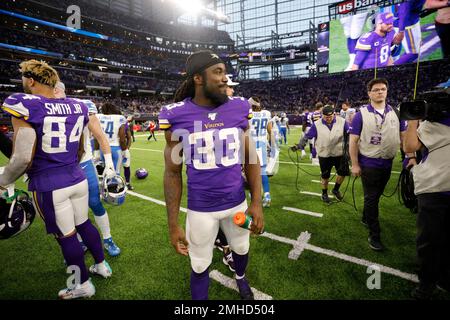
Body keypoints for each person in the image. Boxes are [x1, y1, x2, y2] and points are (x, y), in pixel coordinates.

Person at [0, 59, 111, 299]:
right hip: (77, 177)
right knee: (84, 224)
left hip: (49, 184)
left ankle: (81, 284)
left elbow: (21, 158)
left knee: (67, 236)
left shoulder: (24, 104)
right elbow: (81, 148)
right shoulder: (78, 106)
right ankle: (101, 265)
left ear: (30, 81)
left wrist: (4, 179)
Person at [159, 50, 264, 300]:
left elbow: (251, 158)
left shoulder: (239, 107)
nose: (224, 78)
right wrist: (173, 225)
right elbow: (172, 173)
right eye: (218, 72)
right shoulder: (175, 115)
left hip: (236, 205)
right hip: (201, 210)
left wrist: (257, 202)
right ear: (198, 78)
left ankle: (240, 277)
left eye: (225, 72)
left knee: (241, 247)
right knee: (198, 265)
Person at [54, 82, 121, 257]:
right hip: (57, 168)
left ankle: (107, 238)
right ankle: (80, 242)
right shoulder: (41, 106)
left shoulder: (82, 106)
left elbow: (100, 136)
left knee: (94, 203)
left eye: (57, 89)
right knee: (67, 210)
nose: (54, 92)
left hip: (83, 164)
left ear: (63, 90)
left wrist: (110, 164)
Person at [349, 78, 406, 251]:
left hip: (387, 163)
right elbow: (353, 142)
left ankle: (366, 216)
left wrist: (408, 157)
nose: (380, 92)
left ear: (387, 91)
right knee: (372, 198)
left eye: (383, 89)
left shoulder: (396, 113)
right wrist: (355, 164)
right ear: (369, 93)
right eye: (376, 90)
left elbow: (404, 137)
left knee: (376, 196)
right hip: (369, 163)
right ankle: (375, 235)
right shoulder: (361, 114)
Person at [404, 110, 450, 299]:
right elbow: (409, 146)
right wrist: (414, 120)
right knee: (430, 239)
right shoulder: (434, 119)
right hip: (435, 186)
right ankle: (427, 282)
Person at [294, 105, 349, 204]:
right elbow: (308, 136)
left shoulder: (343, 121)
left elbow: (350, 133)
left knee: (343, 173)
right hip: (324, 154)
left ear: (334, 114)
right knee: (325, 176)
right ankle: (324, 193)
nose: (328, 119)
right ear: (322, 115)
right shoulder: (317, 124)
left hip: (339, 153)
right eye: (326, 117)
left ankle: (336, 189)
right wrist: (299, 145)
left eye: (331, 116)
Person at [248, 96, 272, 207]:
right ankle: (267, 195)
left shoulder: (248, 115)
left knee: (250, 171)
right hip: (262, 145)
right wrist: (272, 146)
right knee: (262, 171)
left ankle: (254, 194)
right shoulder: (266, 113)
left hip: (251, 145)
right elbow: (270, 130)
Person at [96, 103, 128, 176]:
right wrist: (125, 150)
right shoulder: (120, 118)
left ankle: (106, 186)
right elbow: (122, 139)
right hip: (115, 148)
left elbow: (96, 137)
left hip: (103, 149)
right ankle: (115, 186)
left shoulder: (99, 117)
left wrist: (97, 150)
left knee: (106, 172)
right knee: (116, 173)